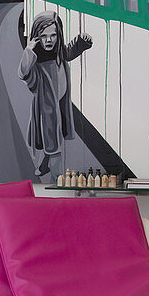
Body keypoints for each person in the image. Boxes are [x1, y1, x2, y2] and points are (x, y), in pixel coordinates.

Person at [18, 10, 92, 180]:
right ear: (36, 38)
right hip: (47, 110)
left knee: (53, 141)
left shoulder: (59, 53)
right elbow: (23, 73)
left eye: (53, 35)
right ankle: (57, 178)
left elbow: (70, 51)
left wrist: (82, 41)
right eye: (43, 36)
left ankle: (44, 164)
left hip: (60, 105)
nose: (49, 40)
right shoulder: (37, 64)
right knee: (54, 146)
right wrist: (29, 52)